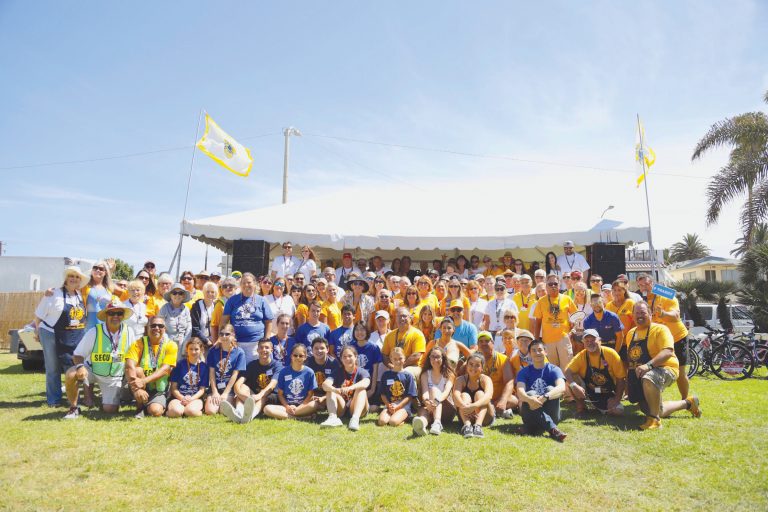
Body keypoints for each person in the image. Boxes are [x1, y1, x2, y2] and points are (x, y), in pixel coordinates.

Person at [625, 302, 701, 430]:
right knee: (653, 409)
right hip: (643, 372)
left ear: (650, 314)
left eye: (643, 312)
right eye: (637, 313)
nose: (640, 316)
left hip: (666, 368)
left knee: (649, 377)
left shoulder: (660, 329)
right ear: (632, 316)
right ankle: (688, 403)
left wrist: (648, 366)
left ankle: (654, 420)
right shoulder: (630, 334)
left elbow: (668, 351)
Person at [62, 297, 137, 419]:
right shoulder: (94, 331)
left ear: (123, 316)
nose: (115, 316)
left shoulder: (130, 332)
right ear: (106, 315)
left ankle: (101, 400)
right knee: (71, 374)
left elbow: (133, 356)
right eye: (112, 313)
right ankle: (74, 408)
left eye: (119, 313)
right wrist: (80, 366)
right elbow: (77, 354)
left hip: (114, 377)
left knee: (110, 410)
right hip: (92, 371)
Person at [34, 265, 88, 406]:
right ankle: (54, 399)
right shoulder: (54, 294)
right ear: (66, 278)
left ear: (79, 281)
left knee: (72, 366)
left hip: (71, 335)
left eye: (77, 277)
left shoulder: (79, 296)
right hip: (50, 333)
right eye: (71, 276)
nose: (74, 279)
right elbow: (39, 315)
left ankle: (74, 398)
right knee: (53, 367)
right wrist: (37, 331)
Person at [636, 273, 693, 400]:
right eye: (640, 285)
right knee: (655, 369)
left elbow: (676, 316)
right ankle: (654, 400)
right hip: (659, 341)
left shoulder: (665, 293)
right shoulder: (640, 299)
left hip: (677, 337)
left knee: (681, 372)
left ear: (652, 283)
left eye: (646, 284)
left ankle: (686, 401)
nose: (644, 288)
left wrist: (663, 313)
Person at [125, 317, 178, 418]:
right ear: (147, 328)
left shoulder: (171, 345)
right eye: (153, 325)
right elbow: (129, 366)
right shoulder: (137, 343)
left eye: (160, 326)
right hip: (138, 384)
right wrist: (137, 389)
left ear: (165, 329)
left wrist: (144, 381)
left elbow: (165, 370)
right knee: (137, 370)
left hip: (158, 388)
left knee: (155, 412)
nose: (156, 328)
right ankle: (139, 407)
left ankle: (151, 404)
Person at [565, 329, 626, 416]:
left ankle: (600, 406)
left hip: (608, 392)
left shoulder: (611, 354)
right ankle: (581, 408)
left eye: (593, 340)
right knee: (570, 380)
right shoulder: (581, 356)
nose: (590, 343)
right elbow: (567, 371)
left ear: (600, 341)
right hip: (589, 391)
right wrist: (573, 385)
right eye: (587, 341)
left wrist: (616, 399)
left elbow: (621, 379)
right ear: (583, 343)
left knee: (618, 411)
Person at [516, 339, 567, 441]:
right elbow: (520, 392)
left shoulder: (554, 369)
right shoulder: (524, 372)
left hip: (551, 413)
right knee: (530, 393)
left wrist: (545, 397)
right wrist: (530, 399)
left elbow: (562, 388)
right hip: (529, 412)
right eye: (533, 350)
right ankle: (552, 429)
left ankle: (530, 429)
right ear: (530, 354)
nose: (537, 353)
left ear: (545, 351)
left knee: (551, 389)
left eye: (540, 350)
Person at [223, 338, 283, 423]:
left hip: (270, 395)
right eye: (261, 347)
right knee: (243, 387)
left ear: (271, 350)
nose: (264, 350)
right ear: (257, 350)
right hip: (253, 396)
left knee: (264, 397)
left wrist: (258, 396)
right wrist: (240, 394)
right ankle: (239, 413)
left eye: (267, 347)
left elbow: (272, 385)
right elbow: (239, 383)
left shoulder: (277, 366)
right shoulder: (252, 365)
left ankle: (250, 416)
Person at [221, 272, 274, 364]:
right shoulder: (232, 300)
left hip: (256, 344)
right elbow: (223, 322)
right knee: (239, 371)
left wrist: (266, 340)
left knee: (255, 372)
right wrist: (223, 338)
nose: (246, 285)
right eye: (243, 282)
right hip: (237, 343)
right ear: (240, 285)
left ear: (254, 284)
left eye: (249, 282)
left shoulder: (261, 300)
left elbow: (268, 322)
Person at [320, 345, 371, 431]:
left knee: (361, 390)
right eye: (344, 357)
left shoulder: (361, 371)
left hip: (356, 406)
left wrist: (351, 388)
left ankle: (355, 419)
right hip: (342, 406)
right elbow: (325, 385)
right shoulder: (337, 371)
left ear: (355, 357)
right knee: (330, 390)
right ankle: (333, 418)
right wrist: (335, 390)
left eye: (350, 356)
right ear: (341, 359)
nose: (347, 359)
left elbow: (366, 383)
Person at [533, 274, 577, 370]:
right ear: (546, 286)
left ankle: (567, 385)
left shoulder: (567, 299)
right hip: (547, 341)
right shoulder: (541, 301)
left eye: (555, 284)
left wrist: (572, 332)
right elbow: (538, 322)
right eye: (550, 284)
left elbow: (576, 318)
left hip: (564, 339)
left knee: (567, 368)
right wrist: (536, 340)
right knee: (552, 368)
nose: (553, 286)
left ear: (559, 285)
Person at [264, 343, 319, 420]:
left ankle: (294, 414)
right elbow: (280, 394)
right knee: (267, 409)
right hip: (287, 406)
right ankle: (300, 417)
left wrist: (300, 407)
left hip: (303, 406)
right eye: (295, 355)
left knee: (315, 405)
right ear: (291, 356)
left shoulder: (309, 372)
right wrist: (287, 407)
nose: (298, 358)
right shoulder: (284, 372)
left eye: (301, 356)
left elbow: (310, 394)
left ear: (305, 357)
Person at [412, 346, 455, 436]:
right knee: (423, 412)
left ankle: (437, 422)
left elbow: (445, 393)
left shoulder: (449, 374)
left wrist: (436, 401)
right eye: (433, 357)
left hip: (446, 409)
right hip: (430, 407)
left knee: (434, 389)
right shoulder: (425, 374)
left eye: (438, 357)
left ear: (443, 358)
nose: (435, 360)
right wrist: (427, 402)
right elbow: (425, 392)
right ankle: (422, 424)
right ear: (429, 358)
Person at [205, 324, 246, 415]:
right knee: (210, 411)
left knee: (223, 411)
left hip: (229, 389)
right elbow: (211, 373)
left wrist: (225, 393)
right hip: (215, 387)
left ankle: (236, 401)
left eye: (227, 334)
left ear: (233, 335)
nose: (224, 337)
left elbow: (235, 375)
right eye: (221, 334)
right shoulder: (213, 351)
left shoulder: (239, 352)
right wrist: (215, 392)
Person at [476, 330, 515, 419]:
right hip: (479, 397)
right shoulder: (473, 358)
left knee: (513, 400)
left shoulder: (503, 359)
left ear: (493, 343)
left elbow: (509, 381)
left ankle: (490, 408)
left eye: (487, 341)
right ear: (477, 345)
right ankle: (489, 409)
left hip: (497, 398)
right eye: (481, 341)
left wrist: (503, 400)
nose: (484, 344)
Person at [453, 352, 494, 438]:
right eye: (471, 364)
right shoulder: (460, 379)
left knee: (480, 394)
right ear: (466, 366)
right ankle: (467, 426)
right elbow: (455, 396)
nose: (473, 368)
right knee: (464, 395)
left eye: (477, 365)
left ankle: (478, 426)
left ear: (482, 368)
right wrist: (466, 407)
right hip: (465, 415)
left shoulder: (485, 379)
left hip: (485, 418)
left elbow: (488, 396)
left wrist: (473, 406)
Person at [167, 338, 209, 418]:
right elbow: (173, 388)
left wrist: (191, 399)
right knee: (176, 412)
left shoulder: (204, 367)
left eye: (196, 349)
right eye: (190, 349)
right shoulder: (179, 365)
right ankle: (171, 411)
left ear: (201, 350)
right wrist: (182, 398)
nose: (193, 352)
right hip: (179, 397)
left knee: (190, 411)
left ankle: (192, 410)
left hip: (195, 398)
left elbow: (201, 390)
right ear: (186, 350)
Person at [377, 347, 418, 427]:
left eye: (400, 358)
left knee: (393, 422)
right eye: (395, 359)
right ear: (391, 359)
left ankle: (405, 417)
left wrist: (398, 407)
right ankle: (394, 416)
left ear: (404, 358)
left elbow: (409, 396)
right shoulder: (386, 375)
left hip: (403, 406)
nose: (398, 361)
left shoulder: (408, 376)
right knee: (382, 422)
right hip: (390, 405)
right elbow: (383, 394)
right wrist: (388, 405)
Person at [381, 307, 426, 378]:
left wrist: (400, 366)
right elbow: (384, 355)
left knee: (406, 373)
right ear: (395, 319)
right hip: (394, 366)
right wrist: (392, 366)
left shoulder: (417, 334)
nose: (402, 319)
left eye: (404, 316)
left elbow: (416, 355)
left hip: (413, 367)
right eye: (399, 316)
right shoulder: (389, 335)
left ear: (410, 318)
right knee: (385, 375)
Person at [351, 321, 382, 405]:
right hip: (354, 383)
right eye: (356, 330)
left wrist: (372, 389)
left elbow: (375, 370)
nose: (359, 332)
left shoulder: (374, 347)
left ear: (367, 331)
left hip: (368, 383)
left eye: (362, 330)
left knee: (374, 407)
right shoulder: (350, 346)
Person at [157, 283, 192, 352]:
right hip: (166, 343)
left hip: (183, 344)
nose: (177, 295)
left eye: (180, 293)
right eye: (174, 293)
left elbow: (189, 328)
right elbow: (159, 326)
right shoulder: (164, 308)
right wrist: (167, 343)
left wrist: (185, 344)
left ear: (183, 296)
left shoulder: (186, 310)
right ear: (170, 295)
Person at [82, 260, 115, 330]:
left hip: (105, 327)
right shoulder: (85, 286)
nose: (98, 270)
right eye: (95, 268)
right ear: (92, 270)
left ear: (105, 272)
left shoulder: (109, 289)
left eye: (101, 269)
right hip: (88, 327)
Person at [606, 280, 636, 352]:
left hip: (629, 341)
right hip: (613, 342)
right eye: (614, 290)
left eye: (619, 290)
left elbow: (636, 321)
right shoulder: (608, 305)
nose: (616, 293)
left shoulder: (630, 303)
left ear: (624, 291)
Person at [190, 281, 217, 351]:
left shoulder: (217, 306)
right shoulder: (196, 307)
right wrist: (206, 341)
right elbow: (195, 328)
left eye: (212, 292)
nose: (210, 294)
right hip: (199, 342)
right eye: (207, 292)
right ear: (204, 293)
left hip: (214, 341)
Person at [211, 276, 237, 343]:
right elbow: (214, 326)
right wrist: (215, 345)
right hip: (225, 340)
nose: (228, 288)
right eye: (225, 286)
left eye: (231, 285)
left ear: (236, 288)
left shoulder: (241, 301)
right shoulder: (219, 304)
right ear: (222, 290)